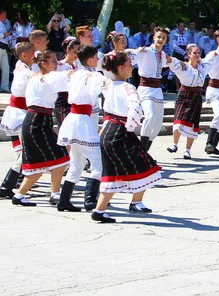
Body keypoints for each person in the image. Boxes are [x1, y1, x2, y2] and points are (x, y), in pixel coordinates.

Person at [92, 52, 162, 223]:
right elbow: (136, 109)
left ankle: (100, 210)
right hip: (120, 132)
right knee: (146, 164)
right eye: (130, 64)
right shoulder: (128, 87)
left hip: (107, 130)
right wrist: (130, 127)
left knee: (111, 171)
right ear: (121, 68)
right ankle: (136, 201)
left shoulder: (108, 86)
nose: (133, 67)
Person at [12, 51, 70, 206]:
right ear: (43, 63)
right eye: (52, 61)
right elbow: (65, 80)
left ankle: (19, 195)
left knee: (40, 162)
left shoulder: (36, 78)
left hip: (37, 121)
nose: (56, 64)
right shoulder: (49, 77)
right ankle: (55, 194)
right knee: (61, 156)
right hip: (37, 121)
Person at [56, 46, 108, 212]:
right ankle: (90, 200)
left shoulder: (74, 73)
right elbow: (107, 87)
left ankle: (64, 200)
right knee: (98, 162)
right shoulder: (93, 76)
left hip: (72, 119)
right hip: (83, 121)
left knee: (76, 163)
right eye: (96, 58)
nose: (98, 61)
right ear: (91, 60)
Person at [0, 42, 35, 198]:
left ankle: (12, 183)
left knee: (25, 151)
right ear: (24, 55)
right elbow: (20, 90)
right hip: (19, 113)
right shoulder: (23, 71)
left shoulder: (24, 67)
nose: (35, 55)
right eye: (32, 52)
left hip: (21, 111)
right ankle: (7, 184)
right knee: (25, 151)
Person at [167, 44, 213, 159]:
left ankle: (187, 150)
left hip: (196, 96)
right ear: (188, 54)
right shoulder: (183, 66)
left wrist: (217, 52)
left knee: (193, 124)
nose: (197, 55)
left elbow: (212, 58)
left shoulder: (203, 67)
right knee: (178, 119)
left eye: (198, 53)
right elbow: (170, 60)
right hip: (184, 94)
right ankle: (174, 144)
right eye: (194, 53)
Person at [137, 27, 170, 151]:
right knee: (150, 116)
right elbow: (132, 55)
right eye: (159, 37)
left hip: (157, 89)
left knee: (158, 122)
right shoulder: (145, 51)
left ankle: (145, 152)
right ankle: (140, 151)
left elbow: (170, 63)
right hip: (146, 88)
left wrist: (182, 63)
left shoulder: (163, 55)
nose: (161, 39)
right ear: (154, 38)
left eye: (164, 38)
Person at [54, 39, 80, 129]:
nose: (76, 54)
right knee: (64, 127)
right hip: (62, 99)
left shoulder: (77, 66)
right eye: (75, 52)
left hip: (73, 98)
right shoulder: (59, 65)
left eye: (78, 52)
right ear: (68, 51)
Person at [0, 8, 15, 92]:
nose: (5, 17)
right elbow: (2, 35)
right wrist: (5, 34)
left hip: (4, 47)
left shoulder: (3, 24)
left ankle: (4, 87)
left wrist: (10, 36)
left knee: (6, 68)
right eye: (4, 15)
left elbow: (6, 37)